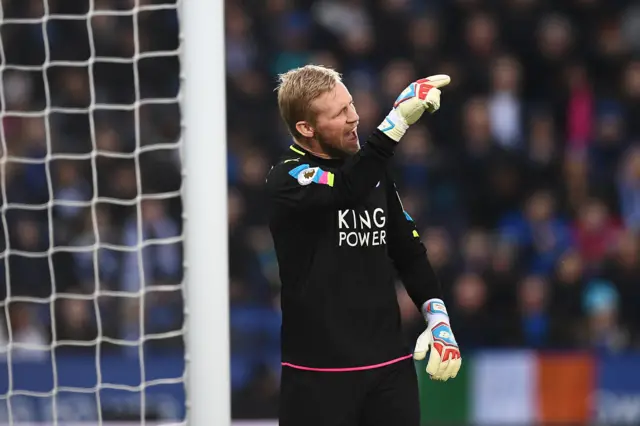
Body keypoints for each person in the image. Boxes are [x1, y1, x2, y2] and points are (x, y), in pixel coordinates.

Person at [265, 64, 461, 426]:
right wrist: (397, 121)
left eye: (351, 104)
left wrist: (439, 320)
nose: (355, 117)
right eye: (340, 113)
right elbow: (344, 190)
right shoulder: (288, 178)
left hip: (390, 370)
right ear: (306, 128)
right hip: (318, 377)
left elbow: (408, 251)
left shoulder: (371, 171)